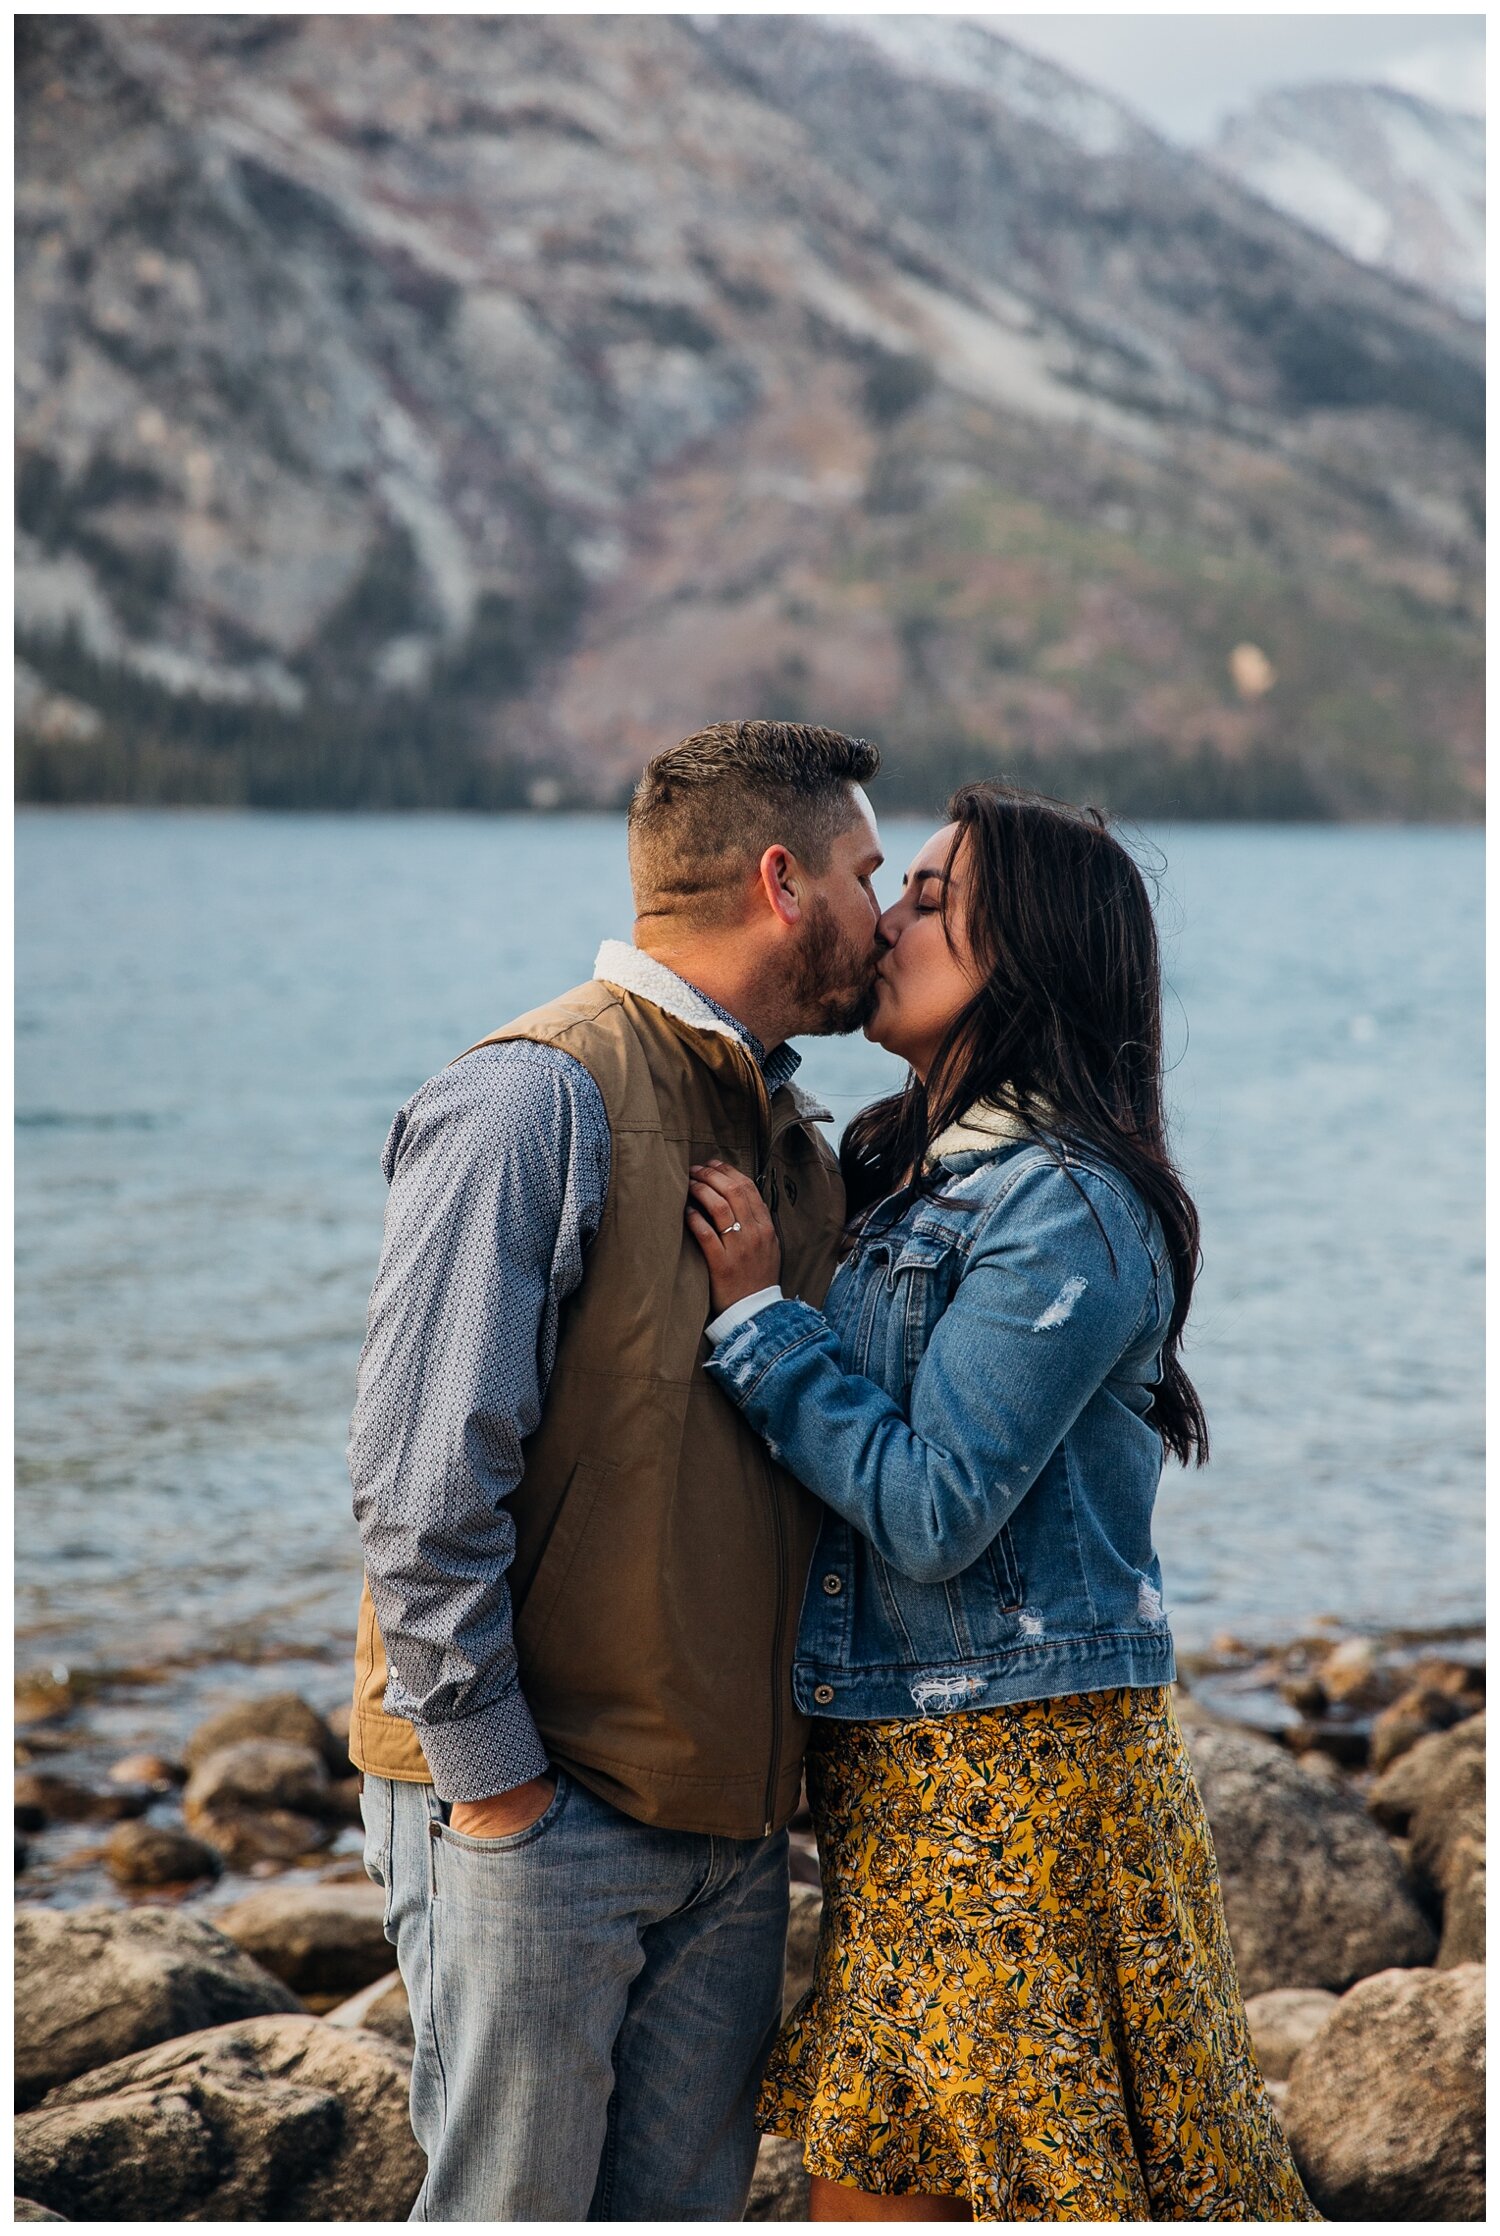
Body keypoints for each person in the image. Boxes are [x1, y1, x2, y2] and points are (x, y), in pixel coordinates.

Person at [686, 782, 1320, 2223]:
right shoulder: (896, 1167)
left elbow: (934, 1508)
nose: (884, 919)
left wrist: (754, 1325)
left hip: (1016, 1777)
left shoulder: (1068, 1206)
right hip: (908, 1773)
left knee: (1020, 2178)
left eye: (926, 899)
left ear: (1020, 961)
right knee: (894, 2167)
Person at [347, 721, 885, 2221]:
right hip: (545, 1813)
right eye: (865, 871)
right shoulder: (535, 1096)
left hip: (721, 1826)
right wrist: (501, 1796)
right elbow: (416, 1479)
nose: (885, 908)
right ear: (783, 882)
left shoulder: (783, 1129)